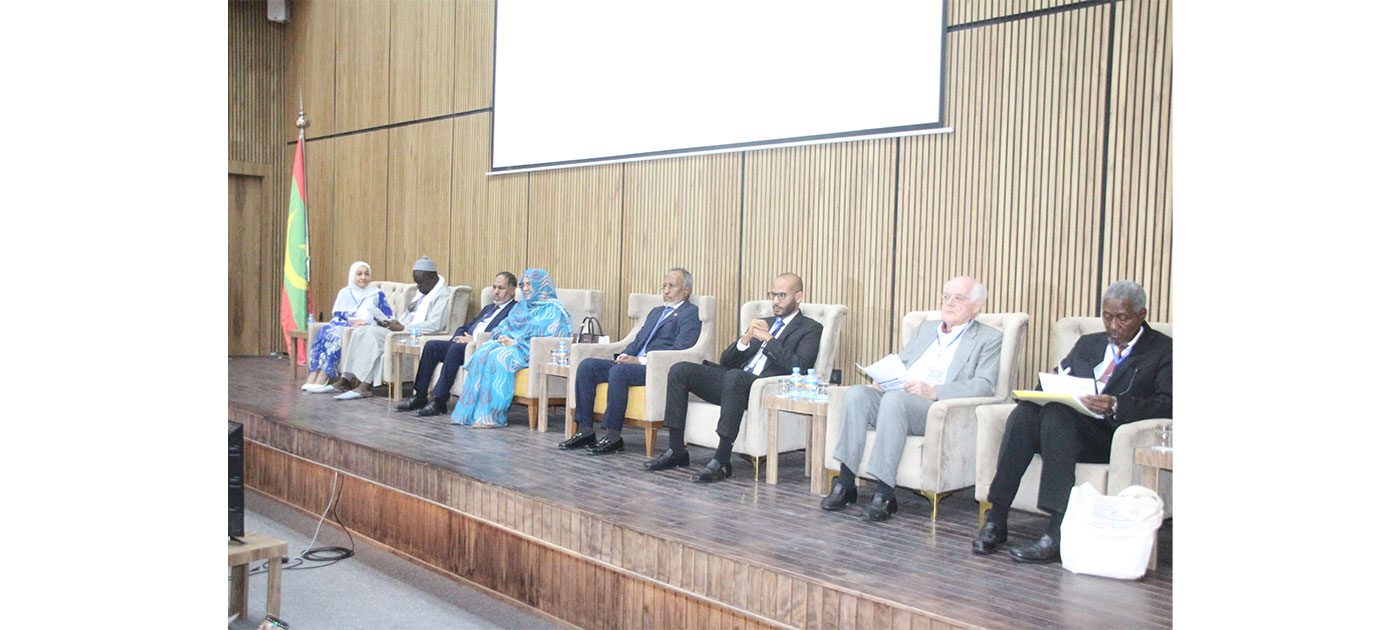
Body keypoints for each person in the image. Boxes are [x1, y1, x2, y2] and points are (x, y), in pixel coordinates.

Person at [974, 280, 1172, 563]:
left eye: (1122, 318)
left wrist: (1117, 404)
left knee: (1057, 415)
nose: (1113, 326)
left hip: (1110, 436)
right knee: (1025, 413)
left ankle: (1057, 531)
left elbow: (1168, 403)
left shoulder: (1163, 350)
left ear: (1142, 315)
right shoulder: (1088, 343)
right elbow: (1056, 379)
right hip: (1065, 431)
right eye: (1107, 316)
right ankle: (997, 517)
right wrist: (1048, 386)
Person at [824, 276, 1003, 522]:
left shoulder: (989, 338)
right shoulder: (926, 329)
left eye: (958, 298)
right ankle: (845, 483)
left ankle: (885, 493)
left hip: (935, 408)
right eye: (946, 297)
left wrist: (935, 391)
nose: (949, 303)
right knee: (857, 395)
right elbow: (903, 362)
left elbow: (985, 385)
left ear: (977, 306)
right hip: (902, 396)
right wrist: (884, 379)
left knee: (894, 401)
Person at [644, 273, 823, 482]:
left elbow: (800, 366)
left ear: (799, 296)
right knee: (680, 370)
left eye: (782, 296)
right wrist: (745, 339)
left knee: (736, 377)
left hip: (763, 389)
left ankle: (722, 460)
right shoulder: (764, 322)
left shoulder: (810, 328)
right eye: (773, 295)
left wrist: (769, 340)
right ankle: (676, 450)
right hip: (733, 383)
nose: (775, 301)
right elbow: (726, 361)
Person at [559, 268, 702, 455]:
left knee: (619, 371)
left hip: (656, 368)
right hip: (633, 363)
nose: (666, 291)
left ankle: (613, 436)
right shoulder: (656, 312)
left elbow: (680, 349)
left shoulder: (690, 313)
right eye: (664, 286)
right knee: (587, 366)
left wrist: (640, 360)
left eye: (671, 286)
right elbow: (638, 341)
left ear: (686, 290)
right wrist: (625, 355)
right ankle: (585, 430)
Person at [450, 268, 573, 428]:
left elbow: (553, 339)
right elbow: (503, 326)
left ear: (541, 285)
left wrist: (515, 342)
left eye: (530, 284)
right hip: (510, 346)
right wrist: (502, 337)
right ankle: (468, 414)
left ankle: (491, 416)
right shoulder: (521, 306)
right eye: (524, 284)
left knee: (498, 357)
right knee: (482, 352)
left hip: (530, 352)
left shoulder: (553, 310)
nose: (526, 288)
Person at [395, 272, 519, 417]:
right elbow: (466, 326)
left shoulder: (515, 311)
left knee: (455, 349)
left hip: (481, 348)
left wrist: (473, 340)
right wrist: (458, 337)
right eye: (494, 287)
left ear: (512, 290)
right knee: (431, 346)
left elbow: (502, 335)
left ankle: (439, 401)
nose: (496, 292)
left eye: (501, 288)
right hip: (463, 344)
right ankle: (420, 396)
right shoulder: (489, 308)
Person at [333, 256, 454, 400]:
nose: (418, 287)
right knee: (360, 331)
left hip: (414, 334)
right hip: (402, 329)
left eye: (420, 283)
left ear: (431, 278)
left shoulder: (442, 295)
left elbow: (435, 325)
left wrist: (403, 327)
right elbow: (409, 315)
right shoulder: (424, 291)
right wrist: (390, 322)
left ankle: (364, 386)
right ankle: (346, 379)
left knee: (372, 334)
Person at [303, 261, 393, 393]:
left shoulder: (377, 294)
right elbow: (337, 313)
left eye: (367, 274)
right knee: (326, 330)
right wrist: (351, 321)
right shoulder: (345, 292)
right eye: (359, 274)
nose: (363, 277)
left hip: (366, 327)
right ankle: (314, 372)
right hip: (346, 324)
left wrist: (370, 320)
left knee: (336, 334)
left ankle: (324, 374)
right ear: (352, 275)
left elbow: (388, 315)